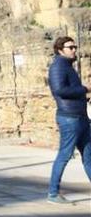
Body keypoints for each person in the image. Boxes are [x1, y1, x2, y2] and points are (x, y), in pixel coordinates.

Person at [46, 36, 91, 204]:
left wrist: (83, 96)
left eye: (75, 47)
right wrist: (85, 89)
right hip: (69, 119)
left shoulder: (67, 66)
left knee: (89, 156)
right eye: (70, 47)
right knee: (64, 155)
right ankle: (53, 193)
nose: (74, 50)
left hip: (80, 118)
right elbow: (60, 91)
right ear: (60, 50)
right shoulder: (58, 66)